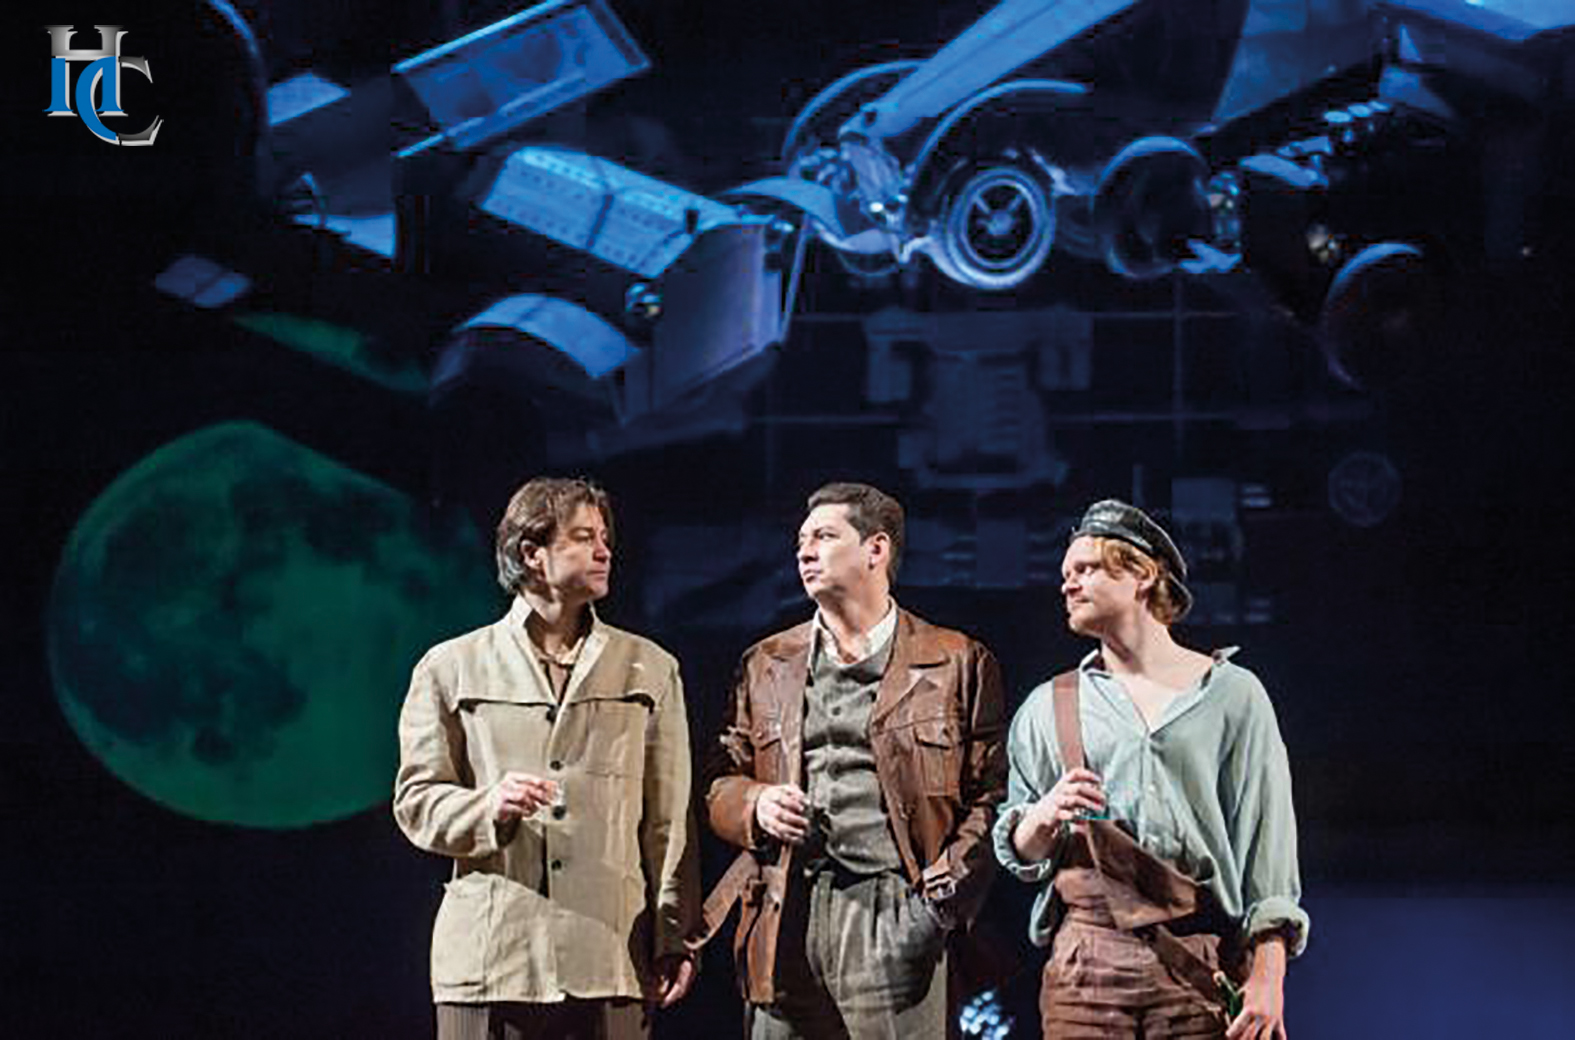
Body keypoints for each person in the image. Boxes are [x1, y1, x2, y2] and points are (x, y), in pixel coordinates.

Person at [394, 477, 699, 1039]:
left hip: (610, 955)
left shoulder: (650, 668)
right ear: (532, 553)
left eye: (605, 538)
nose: (604, 551)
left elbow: (669, 821)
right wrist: (488, 806)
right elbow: (417, 802)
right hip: (492, 956)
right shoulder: (450, 666)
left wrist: (673, 935)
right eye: (583, 537)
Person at [994, 499, 1308, 1040]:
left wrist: (1268, 976)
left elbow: (1268, 848)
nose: (1068, 584)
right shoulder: (1049, 706)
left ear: (1142, 574)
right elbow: (1019, 852)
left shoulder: (1233, 696)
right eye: (1065, 573)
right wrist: (1042, 817)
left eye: (1086, 569)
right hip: (1086, 970)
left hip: (1197, 963)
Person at [704, 481, 1006, 1039]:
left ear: (876, 549)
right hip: (784, 907)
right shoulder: (767, 662)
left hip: (892, 908)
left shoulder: (955, 660)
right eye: (801, 541)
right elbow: (721, 782)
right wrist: (756, 803)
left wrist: (934, 906)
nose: (804, 552)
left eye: (823, 536)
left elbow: (991, 798)